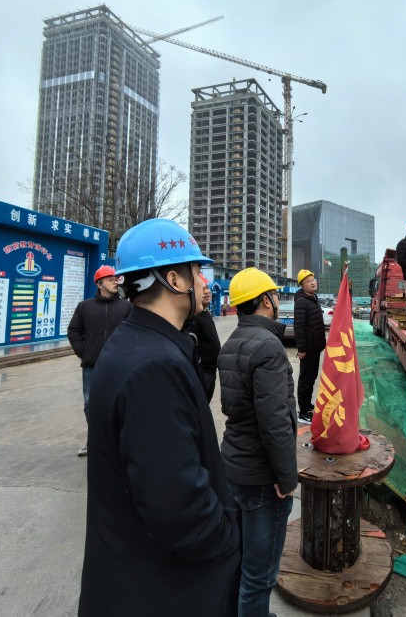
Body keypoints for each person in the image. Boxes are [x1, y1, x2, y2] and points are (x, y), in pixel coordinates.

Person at [78, 219, 240, 616]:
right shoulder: (155, 366)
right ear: (174, 280)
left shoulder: (136, 342)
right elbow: (177, 506)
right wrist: (228, 539)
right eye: (196, 270)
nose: (203, 281)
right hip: (162, 590)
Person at [218, 267, 297, 617]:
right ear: (266, 301)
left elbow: (233, 408)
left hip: (234, 466)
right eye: (275, 295)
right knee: (260, 575)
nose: (278, 300)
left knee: (240, 561)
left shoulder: (231, 343)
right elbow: (274, 420)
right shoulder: (268, 346)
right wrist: (286, 477)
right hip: (262, 477)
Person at [67, 264, 131, 456]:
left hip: (120, 365)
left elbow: (134, 331)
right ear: (99, 283)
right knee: (91, 403)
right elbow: (73, 331)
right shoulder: (85, 307)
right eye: (110, 279)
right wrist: (83, 351)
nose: (115, 282)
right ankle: (95, 441)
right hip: (92, 365)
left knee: (120, 403)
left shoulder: (126, 306)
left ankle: (120, 441)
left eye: (116, 279)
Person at [293, 269, 327, 423]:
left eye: (313, 279)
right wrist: (301, 349)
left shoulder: (313, 297)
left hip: (315, 347)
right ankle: (303, 413)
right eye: (308, 281)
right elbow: (299, 327)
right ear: (302, 285)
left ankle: (307, 404)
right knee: (305, 380)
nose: (313, 282)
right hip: (307, 349)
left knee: (312, 377)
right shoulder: (301, 301)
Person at [185, 273, 221, 402]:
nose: (207, 292)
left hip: (211, 371)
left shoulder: (205, 313)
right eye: (203, 288)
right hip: (203, 373)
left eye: (207, 288)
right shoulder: (194, 318)